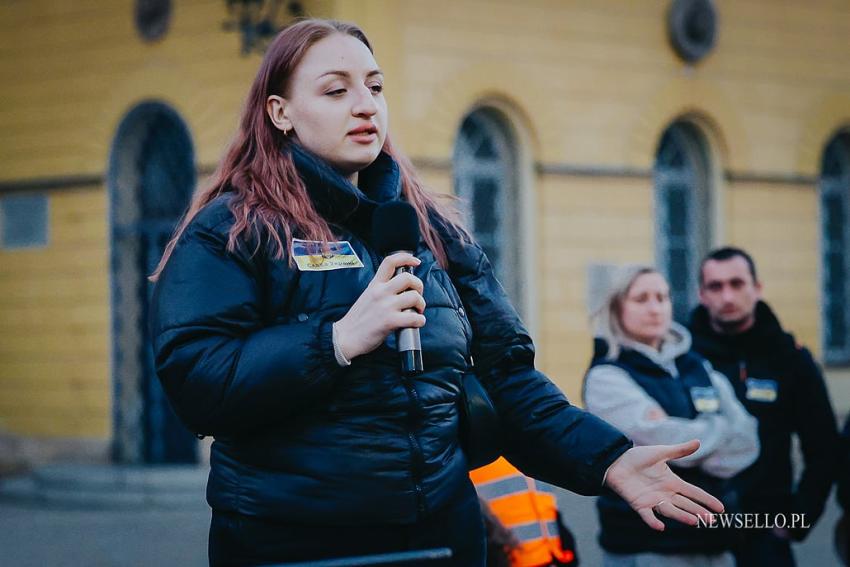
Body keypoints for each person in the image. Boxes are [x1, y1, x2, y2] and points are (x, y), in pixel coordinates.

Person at [149, 19, 723, 566]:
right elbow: (199, 381)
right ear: (280, 112)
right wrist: (337, 341)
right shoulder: (235, 230)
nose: (365, 104)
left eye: (375, 87)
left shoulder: (433, 231)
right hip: (293, 545)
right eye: (335, 90)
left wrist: (607, 457)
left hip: (441, 541)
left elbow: (509, 383)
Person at [583, 265, 759, 567]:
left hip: (717, 540)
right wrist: (719, 430)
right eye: (642, 299)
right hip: (648, 546)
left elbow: (748, 441)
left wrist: (696, 443)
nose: (655, 308)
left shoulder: (698, 367)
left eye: (662, 298)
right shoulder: (607, 375)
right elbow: (665, 442)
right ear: (617, 308)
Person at [689, 246, 839, 567]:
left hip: (764, 533)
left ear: (757, 288)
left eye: (737, 284)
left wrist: (796, 520)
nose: (727, 296)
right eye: (715, 287)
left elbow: (824, 447)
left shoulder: (790, 358)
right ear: (702, 294)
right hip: (693, 530)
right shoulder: (683, 358)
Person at [471, 456, 579, 566]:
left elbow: (540, 502)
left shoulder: (527, 446)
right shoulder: (470, 447)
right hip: (507, 560)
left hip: (551, 558)